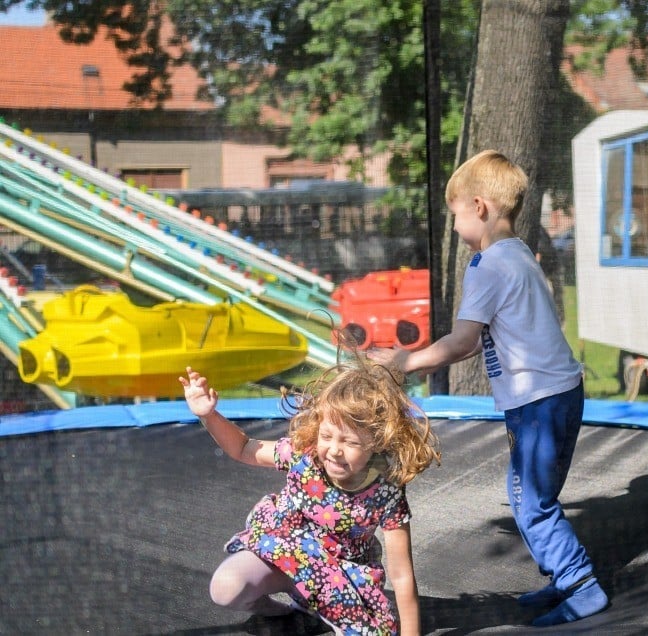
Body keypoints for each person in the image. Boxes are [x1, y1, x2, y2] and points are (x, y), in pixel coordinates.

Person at [368, 149, 608, 627]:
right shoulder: (519, 254)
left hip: (538, 403)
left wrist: (404, 362)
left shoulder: (489, 265)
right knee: (533, 496)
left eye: (455, 215)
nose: (455, 228)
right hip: (561, 394)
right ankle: (563, 577)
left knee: (529, 500)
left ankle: (582, 584)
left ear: (479, 207)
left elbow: (461, 342)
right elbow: (489, 337)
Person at [179, 360, 441, 635]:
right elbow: (243, 448)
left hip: (338, 574)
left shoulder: (386, 491)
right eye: (327, 436)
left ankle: (318, 604)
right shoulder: (304, 455)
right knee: (226, 588)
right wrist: (209, 415)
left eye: (350, 442)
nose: (334, 450)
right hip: (285, 551)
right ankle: (283, 609)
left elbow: (401, 575)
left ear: (376, 441)